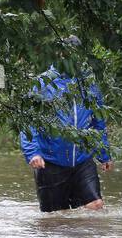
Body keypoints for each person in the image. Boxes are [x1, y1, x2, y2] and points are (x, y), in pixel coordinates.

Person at [20, 65, 113, 212]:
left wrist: (104, 154)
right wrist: (33, 153)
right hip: (51, 161)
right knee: (55, 218)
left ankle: (93, 236)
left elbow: (98, 123)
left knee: (96, 205)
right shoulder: (42, 83)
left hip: (83, 159)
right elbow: (29, 123)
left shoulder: (88, 84)